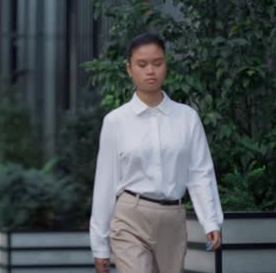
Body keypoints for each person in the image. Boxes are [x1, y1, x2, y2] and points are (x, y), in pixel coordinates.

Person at [90, 33, 223, 273]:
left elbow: (200, 173)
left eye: (157, 63)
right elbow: (105, 183)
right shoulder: (116, 121)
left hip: (173, 218)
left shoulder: (187, 118)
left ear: (166, 65)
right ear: (129, 69)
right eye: (142, 65)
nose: (150, 71)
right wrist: (99, 244)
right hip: (130, 215)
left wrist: (211, 220)